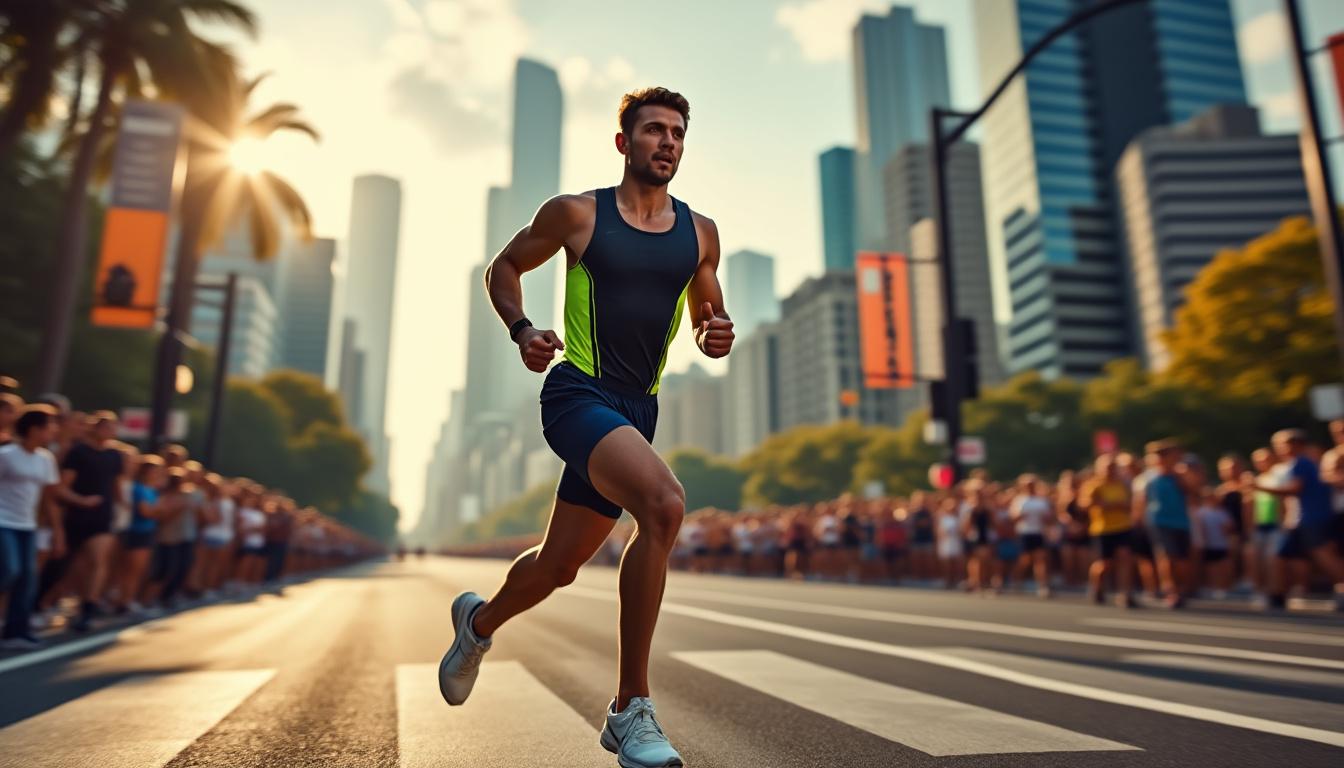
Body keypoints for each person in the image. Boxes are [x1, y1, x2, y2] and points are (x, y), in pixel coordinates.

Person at [438, 87, 727, 767]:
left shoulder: (701, 233)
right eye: (653, 130)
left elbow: (707, 316)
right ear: (624, 142)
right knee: (664, 505)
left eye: (677, 133)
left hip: (638, 410)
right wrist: (522, 330)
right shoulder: (577, 214)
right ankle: (630, 709)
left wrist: (713, 334)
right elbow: (504, 267)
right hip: (578, 393)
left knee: (559, 566)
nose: (667, 142)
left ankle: (477, 623)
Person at [1259, 429, 1344, 611]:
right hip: (1298, 520)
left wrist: (1258, 487)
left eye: (1282, 445)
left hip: (1313, 518)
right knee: (1281, 556)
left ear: (1296, 444)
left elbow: (1295, 489)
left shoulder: (1302, 463)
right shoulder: (1301, 463)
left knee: (1323, 556)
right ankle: (1277, 595)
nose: (1278, 449)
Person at [0, 406, 61, 649]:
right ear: (35, 429)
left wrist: (57, 530)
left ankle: (16, 631)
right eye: (50, 425)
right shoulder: (6, 455)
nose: (54, 430)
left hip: (28, 525)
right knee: (10, 570)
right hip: (3, 522)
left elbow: (48, 498)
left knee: (28, 577)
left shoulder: (46, 459)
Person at [59, 411, 123, 631]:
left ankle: (88, 607)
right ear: (95, 428)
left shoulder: (114, 455)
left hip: (102, 515)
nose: (110, 432)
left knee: (98, 560)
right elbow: (63, 485)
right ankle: (73, 601)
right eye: (106, 427)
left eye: (113, 428)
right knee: (76, 562)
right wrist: (81, 500)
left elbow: (116, 486)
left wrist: (122, 508)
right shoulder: (78, 452)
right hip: (77, 513)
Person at [1138, 440, 1192, 609]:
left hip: (1181, 522)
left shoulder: (1179, 475)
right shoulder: (1149, 478)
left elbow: (1193, 492)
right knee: (1167, 557)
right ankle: (1170, 591)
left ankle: (1182, 589)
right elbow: (1141, 501)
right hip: (1159, 522)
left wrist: (1180, 478)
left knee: (1182, 559)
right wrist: (1139, 522)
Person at [1078, 454, 1134, 607]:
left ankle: (1125, 593)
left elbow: (1129, 503)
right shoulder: (1093, 485)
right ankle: (1097, 587)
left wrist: (1113, 505)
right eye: (1107, 467)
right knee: (1104, 563)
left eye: (1113, 467)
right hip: (1103, 529)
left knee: (1125, 558)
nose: (1110, 470)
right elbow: (1084, 505)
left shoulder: (1122, 484)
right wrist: (1100, 503)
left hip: (1123, 526)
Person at [1010, 475, 1053, 597]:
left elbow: (1049, 519)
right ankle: (1016, 580)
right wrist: (1022, 515)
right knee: (1025, 560)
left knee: (1040, 559)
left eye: (1032, 484)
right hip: (1025, 533)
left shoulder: (1041, 500)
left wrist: (1045, 520)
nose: (1030, 487)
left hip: (1038, 532)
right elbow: (1013, 518)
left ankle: (1042, 585)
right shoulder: (1019, 500)